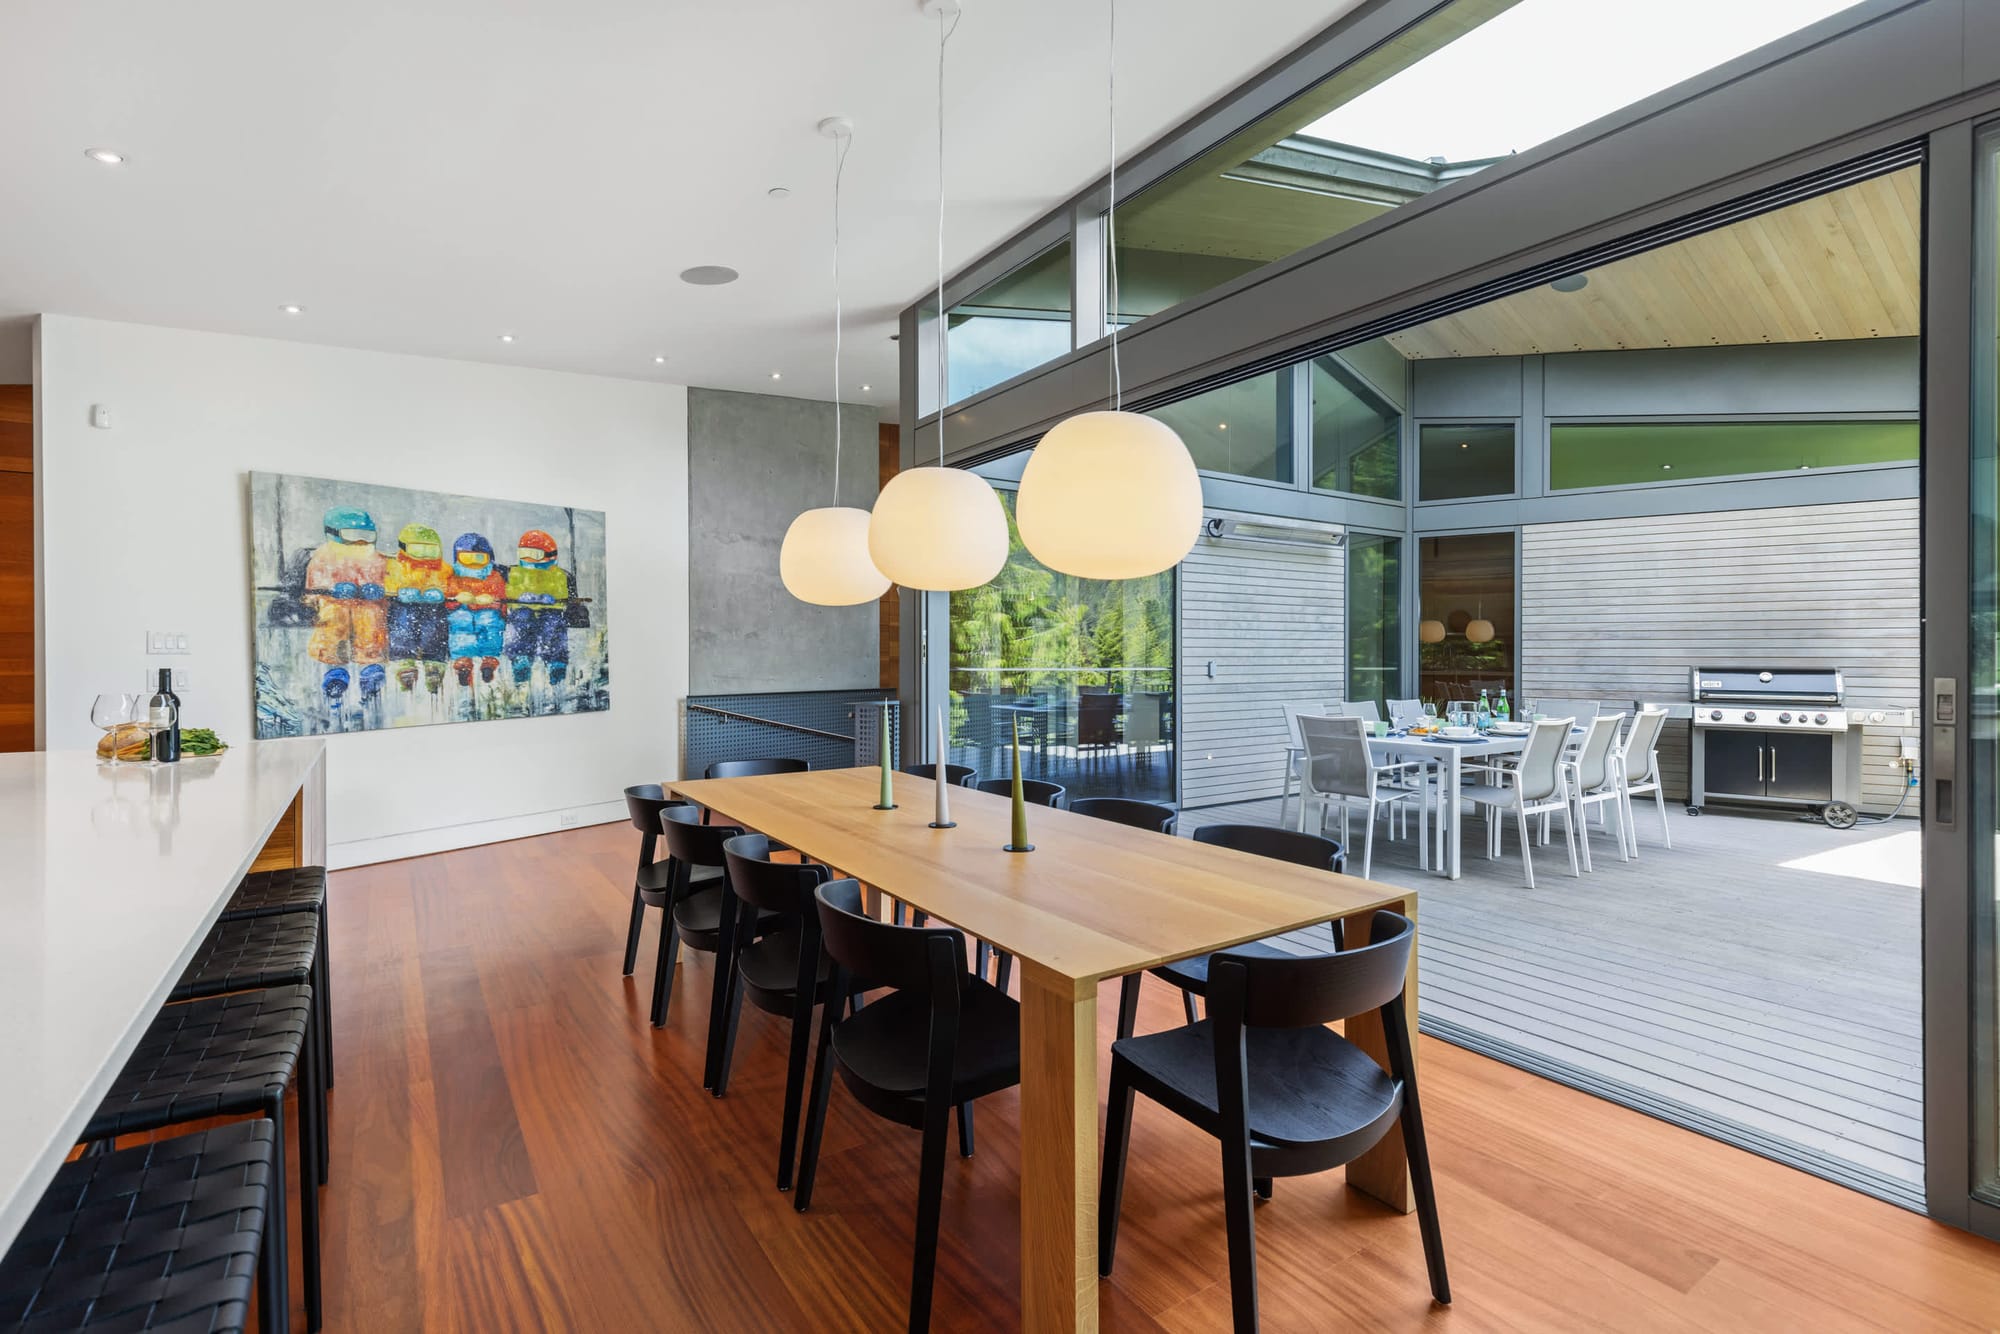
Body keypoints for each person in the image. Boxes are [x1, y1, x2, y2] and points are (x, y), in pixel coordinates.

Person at [303, 506, 387, 705]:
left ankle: (370, 667)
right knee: (334, 624)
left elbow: (387, 580)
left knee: (371, 621)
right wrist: (331, 588)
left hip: (367, 605)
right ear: (333, 534)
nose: (360, 541)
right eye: (353, 535)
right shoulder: (323, 557)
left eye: (365, 535)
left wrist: (377, 589)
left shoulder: (375, 559)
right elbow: (313, 585)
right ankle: (335, 672)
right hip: (334, 604)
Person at [385, 523, 449, 693]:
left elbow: (450, 584)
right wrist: (399, 591)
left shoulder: (443, 568)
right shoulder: (396, 565)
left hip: (432, 607)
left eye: (430, 550)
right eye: (418, 550)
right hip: (404, 605)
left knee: (436, 627)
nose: (424, 556)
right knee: (403, 622)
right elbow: (388, 582)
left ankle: (434, 662)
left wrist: (440, 591)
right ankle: (404, 661)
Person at [505, 528, 571, 687]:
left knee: (554, 626)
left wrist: (552, 599)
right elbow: (511, 590)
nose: (528, 559)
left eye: (534, 555)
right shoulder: (515, 572)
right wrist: (520, 597)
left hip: (549, 609)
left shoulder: (558, 575)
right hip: (523, 608)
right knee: (521, 624)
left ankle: (556, 661)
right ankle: (521, 659)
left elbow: (561, 592)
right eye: (524, 553)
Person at [445, 533, 507, 686]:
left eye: (479, 558)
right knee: (461, 621)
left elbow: (501, 597)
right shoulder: (454, 578)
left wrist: (493, 602)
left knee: (489, 622)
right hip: (463, 609)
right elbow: (448, 598)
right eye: (467, 558)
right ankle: (463, 661)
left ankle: (489, 659)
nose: (473, 563)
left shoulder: (494, 576)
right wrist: (457, 599)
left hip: (487, 609)